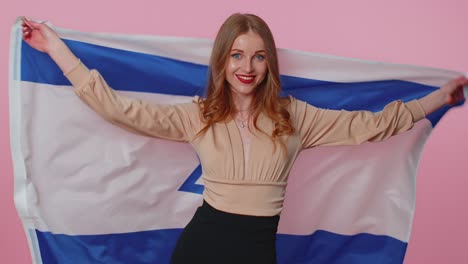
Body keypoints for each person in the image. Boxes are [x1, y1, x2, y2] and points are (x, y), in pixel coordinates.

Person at [21, 13, 466, 264]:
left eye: (257, 56)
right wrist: (56, 48)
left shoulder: (297, 118)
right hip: (201, 245)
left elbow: (375, 125)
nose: (246, 66)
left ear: (269, 62)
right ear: (222, 61)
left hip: (256, 250)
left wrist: (440, 98)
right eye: (236, 55)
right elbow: (117, 109)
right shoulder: (199, 116)